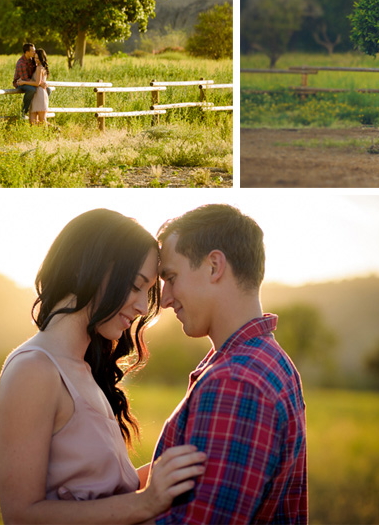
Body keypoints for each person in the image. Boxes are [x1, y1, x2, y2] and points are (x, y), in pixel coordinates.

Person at [0, 209, 207, 524]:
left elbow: (101, 492)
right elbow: (21, 515)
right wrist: (145, 503)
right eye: (136, 285)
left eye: (146, 292)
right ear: (90, 269)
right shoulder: (34, 370)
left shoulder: (83, 369)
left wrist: (181, 464)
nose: (140, 307)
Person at [152, 204, 308, 524]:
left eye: (171, 277)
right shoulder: (267, 359)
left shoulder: (236, 382)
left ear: (213, 266)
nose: (165, 298)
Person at [12, 43, 38, 118]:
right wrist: (36, 83)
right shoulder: (21, 63)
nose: (34, 52)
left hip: (29, 81)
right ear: (27, 52)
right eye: (33, 51)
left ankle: (35, 109)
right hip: (20, 83)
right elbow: (25, 79)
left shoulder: (32, 60)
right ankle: (23, 111)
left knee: (46, 90)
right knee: (31, 90)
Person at [28, 48, 51, 126]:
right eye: (35, 58)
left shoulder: (39, 68)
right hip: (35, 95)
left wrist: (23, 82)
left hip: (40, 94)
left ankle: (47, 136)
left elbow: (37, 83)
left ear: (42, 58)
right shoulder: (39, 67)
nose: (36, 60)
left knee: (42, 120)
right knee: (32, 121)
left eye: (38, 58)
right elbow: (40, 82)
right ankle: (37, 136)